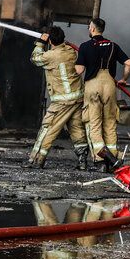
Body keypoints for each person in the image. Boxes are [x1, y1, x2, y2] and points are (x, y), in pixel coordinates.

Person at [75, 17, 130, 171]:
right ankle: (113, 159)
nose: (88, 29)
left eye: (89, 27)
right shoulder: (113, 45)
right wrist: (123, 79)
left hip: (93, 86)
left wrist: (77, 61)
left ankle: (102, 161)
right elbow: (128, 63)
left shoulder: (85, 46)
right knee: (110, 124)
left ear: (93, 29)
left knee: (94, 124)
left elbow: (79, 70)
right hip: (109, 85)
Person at [28, 26, 89, 169]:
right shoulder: (71, 51)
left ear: (50, 40)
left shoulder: (51, 55)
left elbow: (35, 59)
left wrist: (40, 43)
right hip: (77, 97)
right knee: (76, 129)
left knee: (48, 128)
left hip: (62, 101)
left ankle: (37, 159)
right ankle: (83, 162)